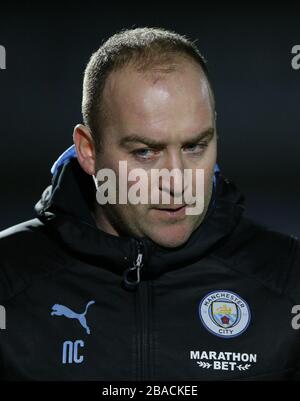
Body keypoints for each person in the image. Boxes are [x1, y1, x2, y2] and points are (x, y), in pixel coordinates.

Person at [0, 27, 299, 381]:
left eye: (194, 146)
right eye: (145, 152)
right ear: (89, 151)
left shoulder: (289, 280)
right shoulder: (9, 280)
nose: (177, 181)